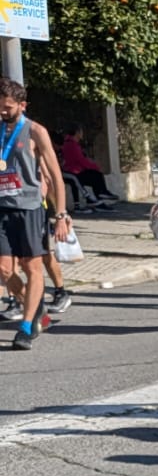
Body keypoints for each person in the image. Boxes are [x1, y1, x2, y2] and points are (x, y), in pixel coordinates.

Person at [0, 77, 71, 351]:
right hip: (2, 206)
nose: (3, 112)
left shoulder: (35, 131)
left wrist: (61, 214)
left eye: (7, 107)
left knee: (32, 266)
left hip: (29, 208)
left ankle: (27, 326)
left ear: (22, 105)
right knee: (5, 268)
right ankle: (36, 307)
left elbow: (56, 176)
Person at [57, 128, 114, 210]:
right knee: (96, 175)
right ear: (77, 133)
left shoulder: (73, 143)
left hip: (77, 170)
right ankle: (99, 196)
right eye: (81, 132)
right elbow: (80, 160)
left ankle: (99, 199)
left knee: (96, 176)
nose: (82, 134)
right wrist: (94, 166)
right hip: (74, 172)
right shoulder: (71, 145)